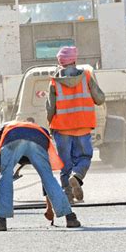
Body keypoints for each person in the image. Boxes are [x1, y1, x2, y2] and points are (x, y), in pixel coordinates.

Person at [0, 119, 81, 231]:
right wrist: (49, 207)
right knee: (48, 177)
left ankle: (1, 222)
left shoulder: (8, 126)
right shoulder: (39, 129)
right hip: (38, 141)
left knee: (5, 178)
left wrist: (1, 167)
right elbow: (46, 179)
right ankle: (70, 218)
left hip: (12, 139)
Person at [46, 46, 105, 203]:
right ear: (74, 60)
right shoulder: (85, 77)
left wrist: (50, 126)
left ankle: (68, 196)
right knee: (84, 156)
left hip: (62, 128)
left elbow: (50, 108)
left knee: (65, 163)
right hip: (83, 127)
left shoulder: (54, 82)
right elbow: (100, 99)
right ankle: (77, 176)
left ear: (60, 62)